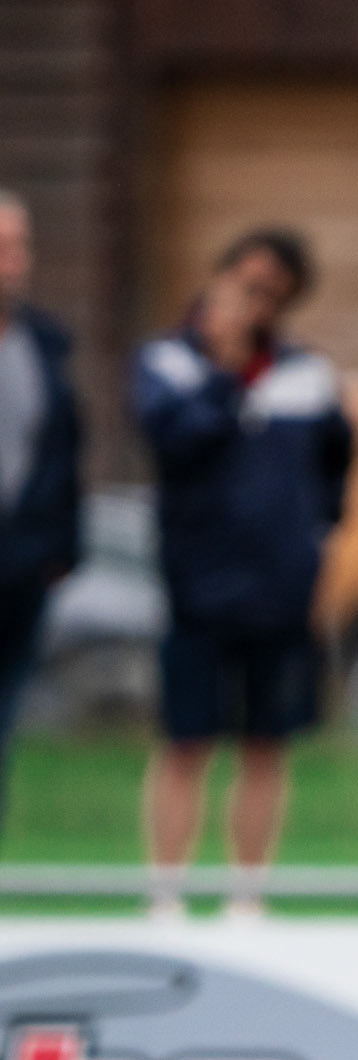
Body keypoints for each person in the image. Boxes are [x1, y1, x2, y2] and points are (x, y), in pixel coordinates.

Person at [131, 227, 353, 910]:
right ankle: (165, 894)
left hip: (280, 592)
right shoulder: (168, 364)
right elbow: (174, 445)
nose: (256, 303)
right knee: (186, 740)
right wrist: (225, 374)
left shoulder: (305, 373)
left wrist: (308, 540)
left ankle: (247, 896)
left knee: (266, 744)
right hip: (197, 589)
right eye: (247, 285)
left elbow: (336, 464)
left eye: (273, 292)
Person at [0, 190, 81, 828]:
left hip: (20, 562)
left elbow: (63, 450)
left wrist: (60, 547)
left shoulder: (42, 346)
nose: (13, 259)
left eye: (18, 246)